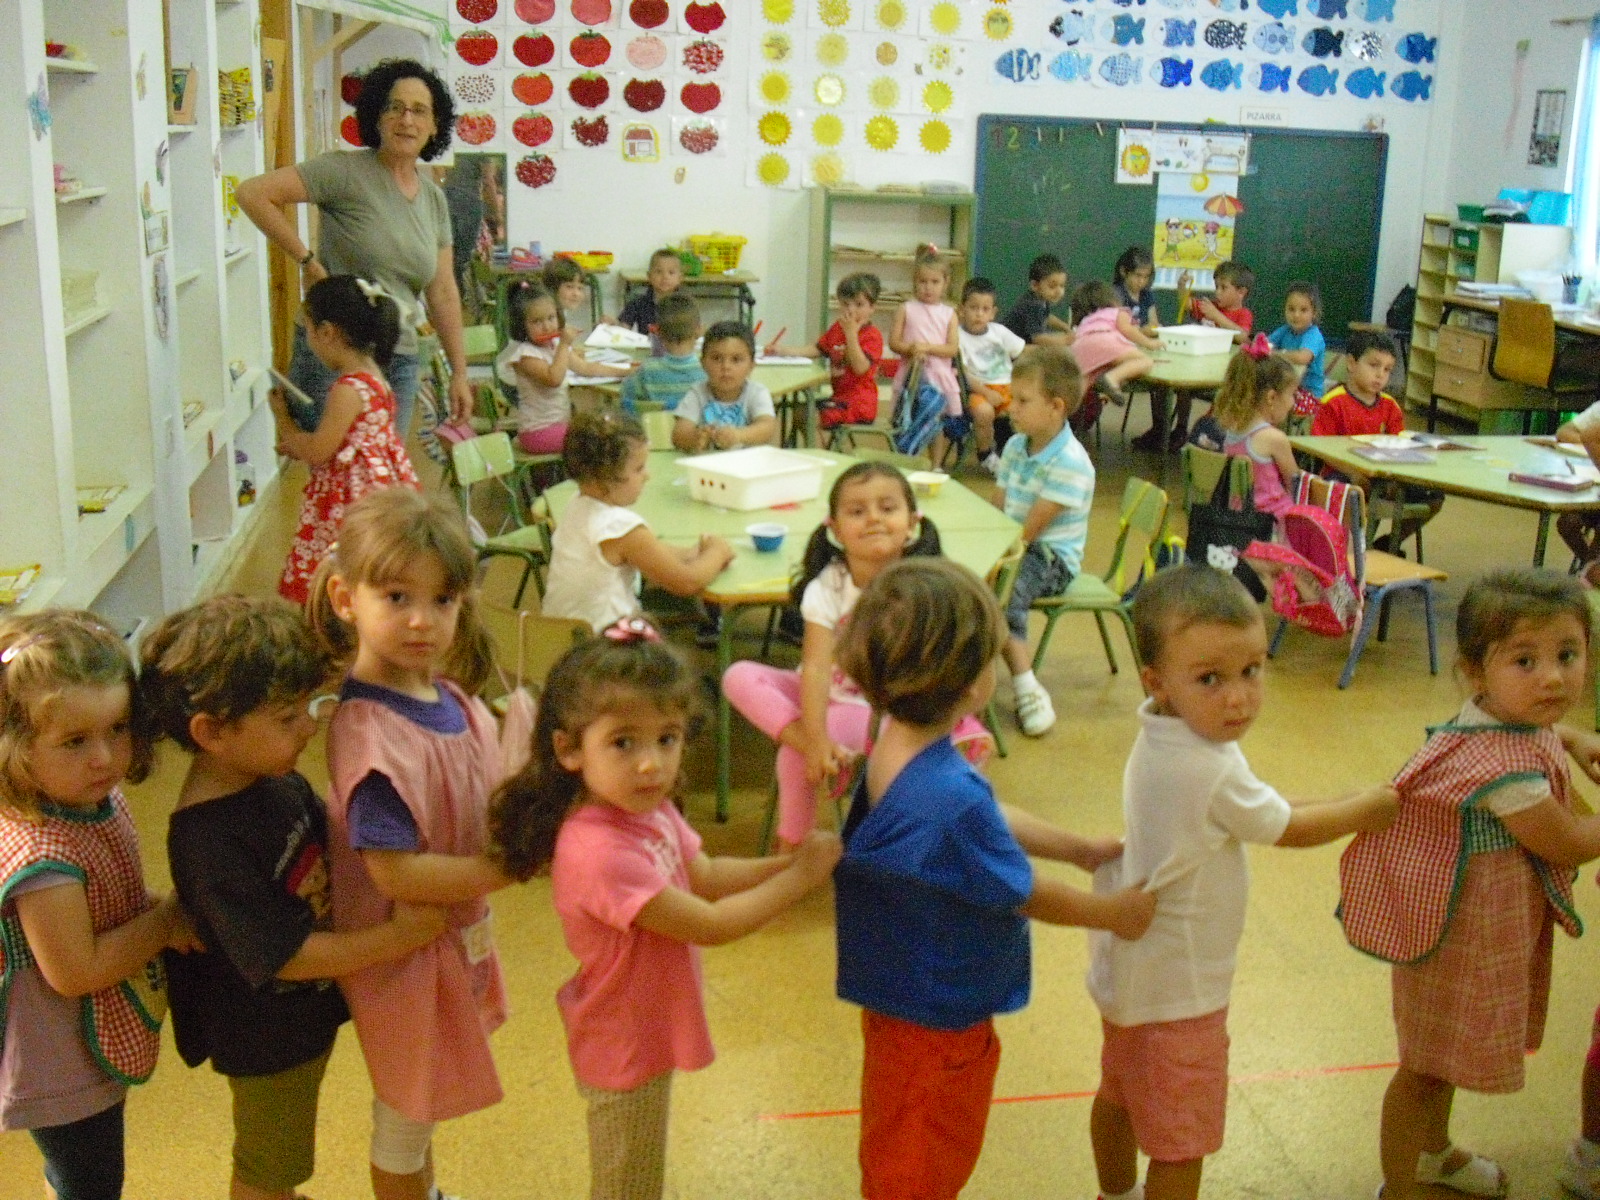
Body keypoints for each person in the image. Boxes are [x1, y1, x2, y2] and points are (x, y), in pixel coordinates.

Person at [831, 558, 1157, 1200]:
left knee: (899, 1151)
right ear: (972, 682)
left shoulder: (899, 743)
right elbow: (1024, 891)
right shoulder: (949, 797)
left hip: (902, 1002)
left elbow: (986, 814)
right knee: (920, 1169)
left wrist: (1080, 850)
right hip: (940, 1023)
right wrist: (1112, 913)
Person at [488, 622, 842, 1200]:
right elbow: (711, 924)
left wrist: (788, 863)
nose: (651, 765)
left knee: (637, 1177)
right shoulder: (599, 850)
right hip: (623, 1044)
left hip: (646, 1029)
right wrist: (800, 879)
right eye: (623, 743)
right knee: (626, 1187)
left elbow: (706, 876)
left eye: (667, 739)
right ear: (569, 749)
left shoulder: (646, 811)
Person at [1089, 565, 1399, 1200]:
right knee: (1182, 1140)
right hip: (1184, 994)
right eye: (1211, 679)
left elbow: (1256, 807)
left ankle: (1113, 1195)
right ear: (1157, 681)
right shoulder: (1208, 765)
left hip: (1131, 974)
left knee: (1118, 1094)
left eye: (1252, 671)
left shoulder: (1163, 730)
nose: (1238, 698)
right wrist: (1362, 812)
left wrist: (1339, 799)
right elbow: (1284, 827)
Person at [138, 595, 448, 1200]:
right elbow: (288, 955)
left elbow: (330, 838)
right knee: (271, 1164)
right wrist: (397, 937)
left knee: (284, 1153)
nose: (308, 726)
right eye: (287, 718)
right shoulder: (207, 841)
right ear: (213, 732)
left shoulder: (267, 777)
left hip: (306, 1013)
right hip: (266, 1039)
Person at [1336, 570, 1600, 1200]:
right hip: (1458, 941)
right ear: (1475, 672)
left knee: (1442, 1057)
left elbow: (1534, 732)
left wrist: (1570, 736)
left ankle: (1433, 1153)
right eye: (1525, 661)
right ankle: (1399, 1187)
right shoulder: (1505, 775)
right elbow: (1568, 842)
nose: (1553, 678)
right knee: (1424, 1070)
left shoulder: (1502, 717)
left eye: (1568, 655)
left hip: (1469, 930)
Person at [306, 488, 514, 1200]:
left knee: (421, 1114)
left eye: (442, 600)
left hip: (448, 948)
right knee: (403, 1124)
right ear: (346, 599)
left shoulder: (446, 697)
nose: (422, 621)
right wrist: (504, 867)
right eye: (396, 597)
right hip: (407, 966)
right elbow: (394, 874)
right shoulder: (373, 735)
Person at [0, 611, 194, 1200]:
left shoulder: (87, 796)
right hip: (57, 1058)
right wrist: (164, 920)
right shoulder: (44, 855)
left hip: (79, 1037)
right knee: (91, 1179)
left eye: (118, 728)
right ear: (15, 748)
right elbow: (76, 970)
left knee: (81, 1169)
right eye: (75, 741)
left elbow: (108, 898)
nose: (105, 758)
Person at [722, 461, 995, 850]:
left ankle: (793, 851)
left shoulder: (927, 587)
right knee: (739, 675)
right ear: (834, 529)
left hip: (890, 710)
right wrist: (815, 737)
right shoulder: (828, 586)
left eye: (887, 508)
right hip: (829, 695)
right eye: (856, 511)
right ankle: (814, 753)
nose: (873, 519)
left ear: (912, 522)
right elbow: (816, 669)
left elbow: (959, 666)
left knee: (792, 756)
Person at [236, 58, 473, 438]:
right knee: (338, 464)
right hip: (335, 352)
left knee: (383, 467)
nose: (406, 120)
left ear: (434, 126)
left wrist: (460, 373)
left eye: (419, 111)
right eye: (394, 107)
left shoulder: (433, 200)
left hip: (399, 355)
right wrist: (306, 261)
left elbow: (443, 291)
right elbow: (252, 193)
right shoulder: (344, 171)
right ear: (376, 116)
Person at [271, 275, 420, 606]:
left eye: (308, 330)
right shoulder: (376, 376)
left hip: (351, 501)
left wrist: (283, 420)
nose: (308, 340)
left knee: (342, 576)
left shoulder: (348, 389)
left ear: (327, 333)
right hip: (379, 494)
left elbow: (318, 450)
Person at [544, 411, 734, 632]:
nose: (647, 475)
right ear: (607, 476)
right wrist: (718, 552)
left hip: (559, 638)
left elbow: (648, 551)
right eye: (639, 468)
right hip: (603, 644)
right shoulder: (619, 527)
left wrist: (690, 553)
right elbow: (687, 583)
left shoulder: (577, 504)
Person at [992, 347, 1095, 737]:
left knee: (1003, 592)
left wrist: (993, 561)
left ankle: (1026, 687)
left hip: (1050, 559)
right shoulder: (1015, 446)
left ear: (1055, 407)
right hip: (1014, 545)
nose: (1011, 408)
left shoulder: (1069, 461)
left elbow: (1028, 533)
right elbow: (997, 510)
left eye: (1022, 401)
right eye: (1011, 397)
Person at [1312, 329, 1444, 551]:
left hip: (1383, 476)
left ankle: (1387, 544)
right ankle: (1344, 549)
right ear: (1351, 363)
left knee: (1435, 496)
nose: (1380, 375)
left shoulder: (1390, 406)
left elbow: (1399, 447)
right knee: (1346, 492)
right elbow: (1320, 449)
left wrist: (1396, 475)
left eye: (1387, 369)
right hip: (1343, 473)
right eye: (1374, 365)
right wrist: (1354, 472)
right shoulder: (1333, 402)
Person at [495, 281, 629, 457]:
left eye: (551, 318)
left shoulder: (555, 344)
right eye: (537, 322)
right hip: (538, 433)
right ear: (522, 326)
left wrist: (625, 371)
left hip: (558, 426)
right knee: (599, 437)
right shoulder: (525, 355)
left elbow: (585, 367)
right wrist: (565, 345)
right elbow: (554, 379)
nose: (547, 326)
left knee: (602, 426)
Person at [1136, 261, 1256, 454]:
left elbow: (1243, 336)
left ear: (1241, 292)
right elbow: (1188, 303)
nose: (1217, 292)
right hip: (1195, 365)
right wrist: (1182, 287)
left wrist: (1216, 316)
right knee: (1173, 388)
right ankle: (1164, 429)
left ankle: (1183, 430)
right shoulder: (1212, 306)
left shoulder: (1243, 314)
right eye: (1216, 286)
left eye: (1223, 288)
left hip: (1220, 373)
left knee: (1187, 390)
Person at [767, 273, 885, 431]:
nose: (851, 310)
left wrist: (851, 334)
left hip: (859, 405)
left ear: (872, 308)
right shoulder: (838, 328)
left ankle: (819, 447)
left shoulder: (872, 336)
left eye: (859, 305)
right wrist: (783, 350)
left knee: (809, 416)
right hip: (839, 398)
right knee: (799, 410)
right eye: (846, 304)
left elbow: (860, 368)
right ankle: (818, 446)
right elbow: (818, 348)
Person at [1210, 336, 1301, 527]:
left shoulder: (1231, 430)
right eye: (1292, 395)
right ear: (1272, 397)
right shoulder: (1274, 438)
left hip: (1236, 521)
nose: (1293, 403)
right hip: (1273, 524)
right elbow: (1297, 486)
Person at [890, 245, 962, 464]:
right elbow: (894, 342)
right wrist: (911, 349)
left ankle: (936, 466)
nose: (928, 287)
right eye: (923, 282)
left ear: (945, 283)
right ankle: (906, 461)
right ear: (915, 282)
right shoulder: (906, 308)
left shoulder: (949, 313)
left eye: (934, 282)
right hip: (911, 375)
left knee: (934, 422)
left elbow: (952, 349)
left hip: (938, 377)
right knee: (906, 418)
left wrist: (926, 348)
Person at [671, 322, 778, 452]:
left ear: (751, 365)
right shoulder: (697, 393)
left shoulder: (757, 392)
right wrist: (696, 438)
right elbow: (679, 434)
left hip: (749, 463)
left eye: (736, 359)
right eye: (717, 358)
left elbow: (767, 427)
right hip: (706, 463)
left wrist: (739, 435)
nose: (726, 366)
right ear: (703, 363)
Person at [956, 276, 1026, 475]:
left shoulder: (999, 332)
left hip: (1007, 388)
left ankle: (1016, 454)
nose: (979, 314)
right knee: (984, 412)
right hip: (978, 390)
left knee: (1024, 410)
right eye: (973, 308)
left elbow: (1022, 353)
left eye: (985, 309)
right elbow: (963, 374)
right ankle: (985, 454)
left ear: (993, 313)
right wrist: (987, 393)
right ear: (962, 309)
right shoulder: (957, 336)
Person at [1068, 280, 1160, 407]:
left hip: (1080, 345)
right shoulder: (1117, 312)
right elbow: (1127, 330)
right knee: (1145, 361)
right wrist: (1149, 343)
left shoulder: (1086, 320)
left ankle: (1064, 413)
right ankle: (1112, 379)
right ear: (1111, 299)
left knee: (1083, 385)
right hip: (1105, 340)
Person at [619, 293, 706, 415]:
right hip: (694, 427)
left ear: (658, 332)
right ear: (699, 330)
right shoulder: (707, 370)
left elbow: (626, 397)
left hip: (654, 426)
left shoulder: (647, 370)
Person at [1267, 280, 1328, 416]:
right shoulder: (1285, 330)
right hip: (1287, 387)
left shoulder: (1313, 334)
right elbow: (1265, 344)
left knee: (1272, 403)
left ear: (1314, 313)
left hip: (1309, 394)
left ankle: (1273, 428)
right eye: (1291, 309)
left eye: (1303, 310)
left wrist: (1276, 353)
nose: (1296, 315)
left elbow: (1302, 357)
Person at [1005, 253, 1073, 348]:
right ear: (1035, 285)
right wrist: (1066, 340)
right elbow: (1038, 338)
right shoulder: (1033, 305)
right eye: (1052, 286)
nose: (1059, 292)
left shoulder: (1040, 299)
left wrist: (1066, 327)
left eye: (1062, 286)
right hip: (1009, 347)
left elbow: (1046, 317)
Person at [617, 248, 684, 335]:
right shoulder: (638, 303)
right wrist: (612, 326)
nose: (665, 277)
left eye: (671, 273)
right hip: (647, 343)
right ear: (649, 276)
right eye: (659, 272)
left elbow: (694, 331)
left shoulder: (686, 305)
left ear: (680, 278)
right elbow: (623, 328)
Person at [1112, 245, 1161, 331]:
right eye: (1138, 275)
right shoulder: (1116, 294)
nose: (1141, 281)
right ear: (1123, 271)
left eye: (1146, 277)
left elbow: (1154, 323)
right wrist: (1143, 331)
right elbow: (1120, 328)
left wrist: (1154, 328)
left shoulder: (1147, 295)